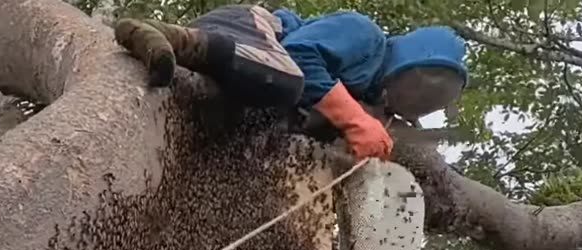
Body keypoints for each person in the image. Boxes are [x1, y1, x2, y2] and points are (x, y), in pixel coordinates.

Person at [113, 5, 468, 161]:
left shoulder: (367, 93)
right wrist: (357, 121)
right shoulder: (366, 36)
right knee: (288, 82)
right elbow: (300, 53)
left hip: (249, 72)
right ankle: (171, 38)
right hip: (251, 32)